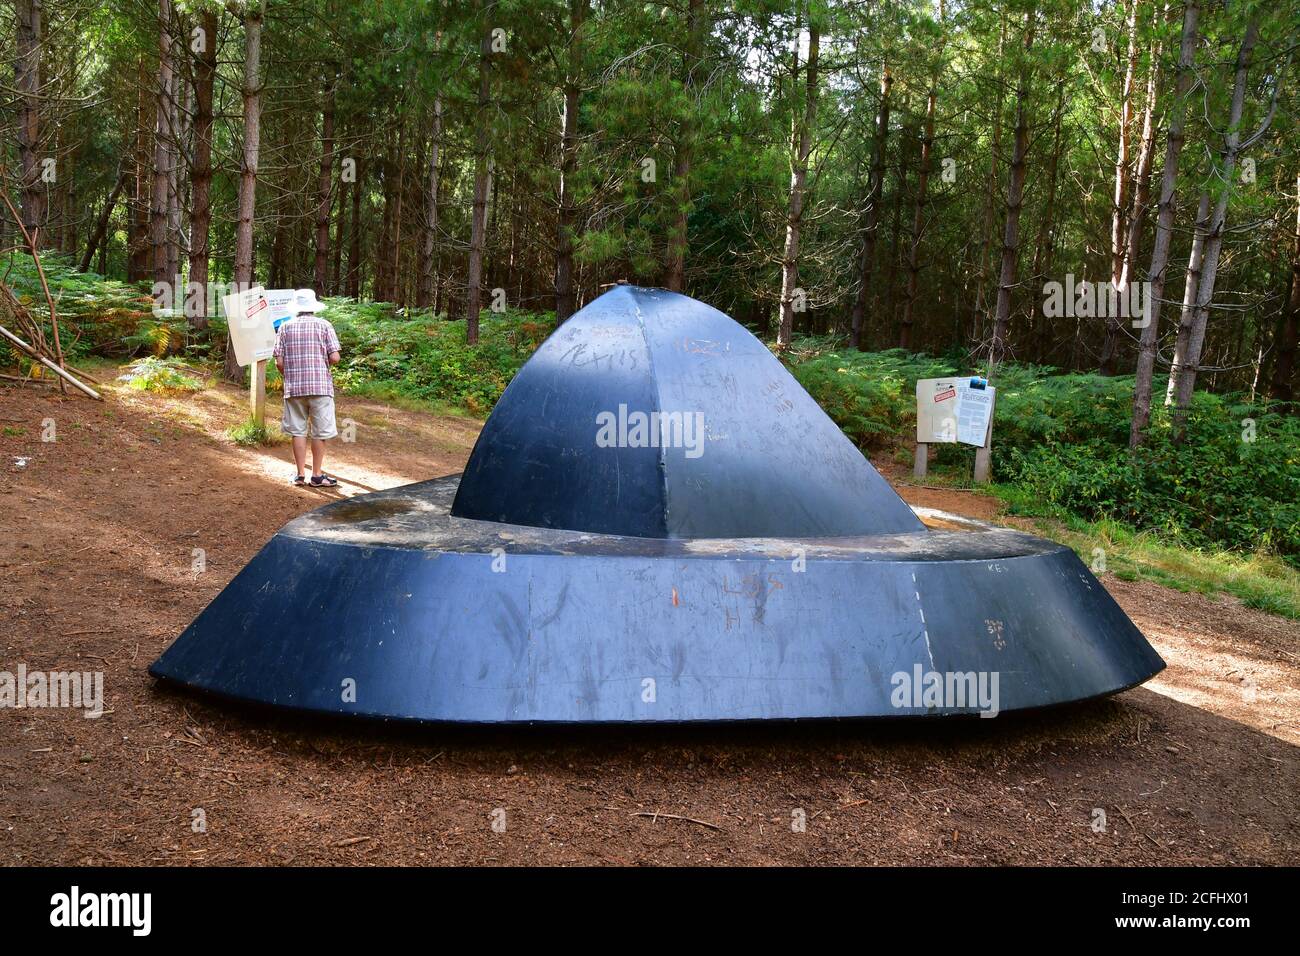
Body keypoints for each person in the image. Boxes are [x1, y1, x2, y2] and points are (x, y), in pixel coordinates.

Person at [273, 288, 341, 487]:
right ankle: (317, 475)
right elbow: (335, 356)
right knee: (320, 433)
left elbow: (278, 362)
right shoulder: (324, 325)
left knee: (298, 431)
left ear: (296, 307)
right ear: (313, 307)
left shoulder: (285, 327)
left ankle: (300, 474)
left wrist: (290, 375)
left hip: (294, 388)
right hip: (320, 387)